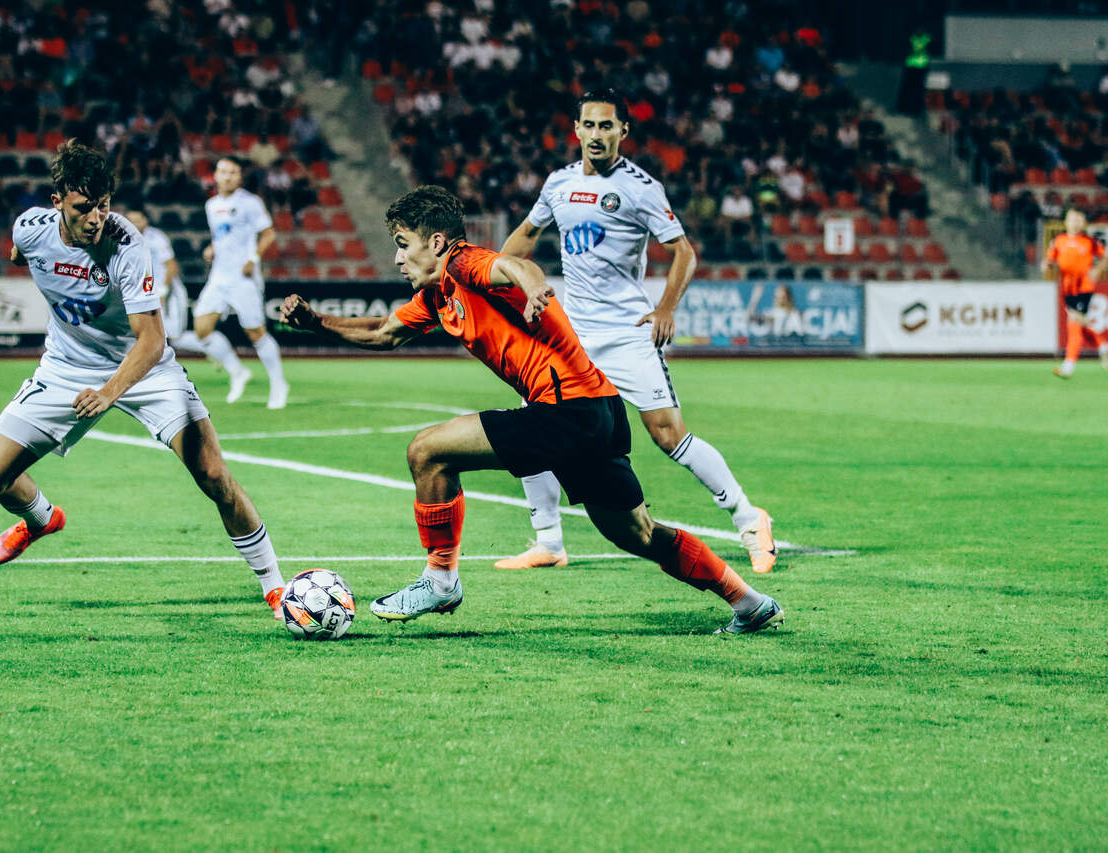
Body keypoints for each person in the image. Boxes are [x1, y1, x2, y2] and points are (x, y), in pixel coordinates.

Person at [280, 185, 784, 635]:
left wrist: (535, 286)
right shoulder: (437, 294)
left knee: (428, 451)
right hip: (599, 409)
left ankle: (440, 580)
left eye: (402, 243)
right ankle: (749, 603)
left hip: (566, 409)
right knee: (639, 534)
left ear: (435, 242)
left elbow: (513, 265)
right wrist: (317, 322)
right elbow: (385, 333)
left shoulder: (462, 263)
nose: (397, 258)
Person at [0, 140, 286, 621]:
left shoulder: (126, 245)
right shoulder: (31, 229)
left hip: (144, 370)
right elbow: (20, 253)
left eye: (103, 205)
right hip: (66, 367)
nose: (96, 218)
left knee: (213, 474)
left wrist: (109, 391)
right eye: (83, 207)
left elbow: (152, 340)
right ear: (57, 203)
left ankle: (276, 586)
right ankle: (41, 519)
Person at [494, 89, 777, 574]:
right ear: (576, 130)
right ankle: (549, 542)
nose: (597, 134)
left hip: (627, 332)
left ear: (623, 131)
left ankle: (750, 519)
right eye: (589, 125)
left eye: (607, 125)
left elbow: (684, 252)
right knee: (532, 425)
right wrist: (498, 272)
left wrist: (666, 307)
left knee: (668, 435)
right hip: (571, 334)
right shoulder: (558, 184)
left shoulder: (640, 188)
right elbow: (524, 237)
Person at [125, 210, 252, 403]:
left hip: (168, 295)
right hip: (145, 295)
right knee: (150, 337)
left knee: (174, 337)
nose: (135, 223)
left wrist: (163, 290)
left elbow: (172, 266)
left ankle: (230, 362)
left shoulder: (156, 238)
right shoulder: (123, 240)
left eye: (138, 219)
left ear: (146, 220)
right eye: (131, 220)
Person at [197, 157, 289, 409]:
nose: (227, 176)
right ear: (215, 175)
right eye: (223, 171)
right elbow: (222, 235)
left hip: (243, 278)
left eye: (233, 172)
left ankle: (279, 384)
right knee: (202, 329)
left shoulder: (250, 202)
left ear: (240, 177)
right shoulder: (211, 205)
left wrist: (253, 258)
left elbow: (268, 233)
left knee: (255, 332)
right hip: (219, 276)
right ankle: (238, 372)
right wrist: (212, 248)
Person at [1043, 207, 1108, 378]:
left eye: (1078, 219)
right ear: (1066, 222)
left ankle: (1068, 367)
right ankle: (1104, 347)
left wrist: (1097, 270)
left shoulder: (1089, 241)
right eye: (1072, 219)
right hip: (1066, 290)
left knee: (1074, 324)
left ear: (1083, 223)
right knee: (1083, 325)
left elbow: (1105, 256)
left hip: (1084, 289)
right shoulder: (1059, 240)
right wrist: (1046, 265)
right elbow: (1050, 259)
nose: (1075, 223)